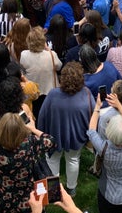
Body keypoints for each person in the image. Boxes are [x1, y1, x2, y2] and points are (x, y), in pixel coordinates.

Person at [0, 112, 55, 213]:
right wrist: (32, 129)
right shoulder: (31, 144)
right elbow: (51, 140)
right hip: (28, 197)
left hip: (4, 196)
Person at [37, 62, 94, 196]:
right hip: (76, 136)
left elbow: (42, 116)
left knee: (52, 160)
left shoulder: (52, 94)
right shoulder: (86, 94)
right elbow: (93, 115)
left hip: (53, 135)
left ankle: (53, 192)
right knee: (73, 160)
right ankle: (71, 188)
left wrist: (41, 135)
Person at [20, 27, 62, 119]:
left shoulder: (24, 55)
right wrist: (48, 50)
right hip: (49, 93)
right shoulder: (51, 55)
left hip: (33, 93)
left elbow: (22, 69)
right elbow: (59, 66)